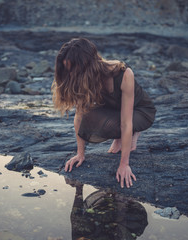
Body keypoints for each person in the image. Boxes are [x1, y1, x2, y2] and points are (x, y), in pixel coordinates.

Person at [52, 38, 156, 188]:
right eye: (67, 69)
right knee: (89, 116)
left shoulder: (124, 73)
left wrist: (124, 164)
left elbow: (126, 122)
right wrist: (80, 154)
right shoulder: (84, 78)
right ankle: (121, 136)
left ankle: (135, 132)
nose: (70, 74)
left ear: (86, 65)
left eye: (72, 69)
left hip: (139, 111)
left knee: (116, 126)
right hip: (114, 110)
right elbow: (80, 116)